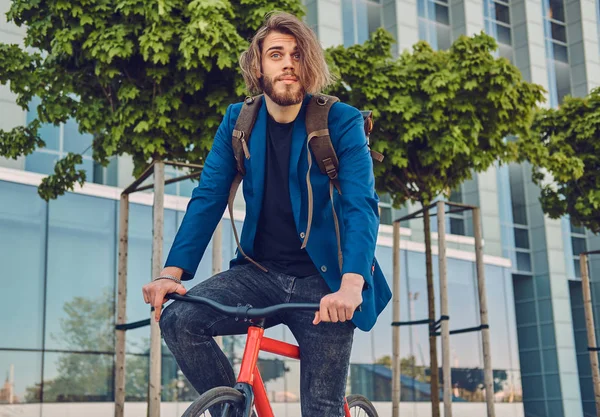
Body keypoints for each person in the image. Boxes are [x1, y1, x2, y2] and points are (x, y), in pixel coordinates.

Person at [142, 11, 391, 417]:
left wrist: (351, 285)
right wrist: (171, 274)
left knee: (321, 408)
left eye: (297, 54)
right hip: (259, 273)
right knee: (179, 320)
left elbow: (360, 204)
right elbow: (208, 196)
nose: (288, 63)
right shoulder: (238, 122)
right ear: (258, 66)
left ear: (308, 65)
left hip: (325, 284)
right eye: (276, 54)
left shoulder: (340, 120)